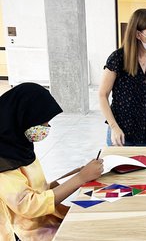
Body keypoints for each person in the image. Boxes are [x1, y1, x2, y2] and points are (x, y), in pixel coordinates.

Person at [0, 83, 104, 241]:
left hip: (45, 221)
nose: (47, 127)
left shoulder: (19, 147)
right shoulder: (4, 162)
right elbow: (29, 205)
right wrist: (80, 178)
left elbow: (41, 190)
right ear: (23, 116)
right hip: (28, 234)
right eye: (43, 122)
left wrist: (78, 172)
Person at [99, 8, 146, 147]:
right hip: (122, 134)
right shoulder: (117, 58)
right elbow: (102, 94)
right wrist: (114, 127)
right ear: (138, 34)